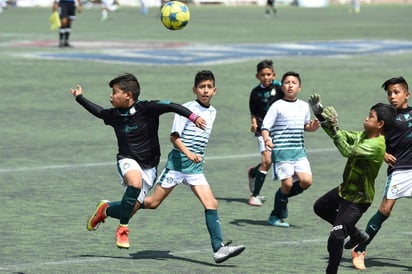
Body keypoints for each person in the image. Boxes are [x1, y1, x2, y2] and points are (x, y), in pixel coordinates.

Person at [70, 73, 206, 249]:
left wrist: (193, 117)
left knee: (127, 210)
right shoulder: (114, 115)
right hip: (127, 159)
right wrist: (80, 98)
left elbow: (172, 106)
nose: (111, 95)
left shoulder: (148, 108)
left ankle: (105, 209)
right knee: (135, 183)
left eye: (114, 92)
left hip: (149, 167)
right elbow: (98, 111)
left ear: (128, 95)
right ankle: (123, 230)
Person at [310, 94, 396, 274]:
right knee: (320, 207)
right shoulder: (363, 135)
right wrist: (321, 116)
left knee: (336, 235)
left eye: (371, 116)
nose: (366, 118)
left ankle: (331, 271)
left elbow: (347, 150)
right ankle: (356, 233)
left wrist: (333, 128)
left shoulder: (376, 145)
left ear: (380, 124)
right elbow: (340, 134)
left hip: (358, 199)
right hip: (345, 191)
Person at [347, 76, 412, 270]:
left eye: (396, 92)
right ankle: (360, 248)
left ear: (406, 94)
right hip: (399, 169)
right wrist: (383, 153)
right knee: (385, 210)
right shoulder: (386, 117)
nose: (392, 96)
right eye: (389, 93)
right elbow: (369, 137)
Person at [261, 71, 320, 227]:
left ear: (299, 87)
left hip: (299, 151)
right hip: (281, 151)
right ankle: (275, 214)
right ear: (282, 87)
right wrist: (267, 138)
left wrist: (312, 127)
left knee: (306, 181)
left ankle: (282, 197)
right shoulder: (277, 106)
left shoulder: (303, 106)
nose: (290, 85)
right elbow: (265, 126)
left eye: (293, 82)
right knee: (287, 184)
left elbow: (306, 126)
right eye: (286, 82)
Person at [247, 60, 283, 206]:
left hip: (279, 129)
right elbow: (253, 112)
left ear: (273, 74)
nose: (266, 77)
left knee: (271, 160)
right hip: (263, 130)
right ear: (257, 76)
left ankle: (253, 172)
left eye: (269, 74)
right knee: (267, 161)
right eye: (263, 75)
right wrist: (254, 123)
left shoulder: (280, 87)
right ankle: (254, 195)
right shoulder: (255, 93)